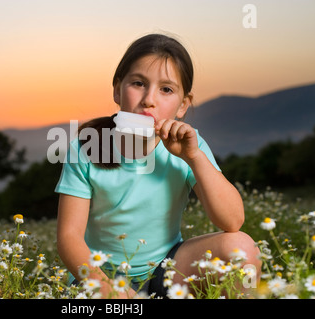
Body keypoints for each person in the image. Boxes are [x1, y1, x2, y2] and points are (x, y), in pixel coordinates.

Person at [55, 33, 261, 298]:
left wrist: (194, 158)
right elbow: (69, 238)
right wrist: (112, 291)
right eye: (139, 83)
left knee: (242, 248)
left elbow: (233, 220)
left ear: (183, 105)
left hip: (167, 270)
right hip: (100, 278)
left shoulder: (191, 147)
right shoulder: (86, 147)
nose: (149, 99)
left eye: (166, 89)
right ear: (117, 89)